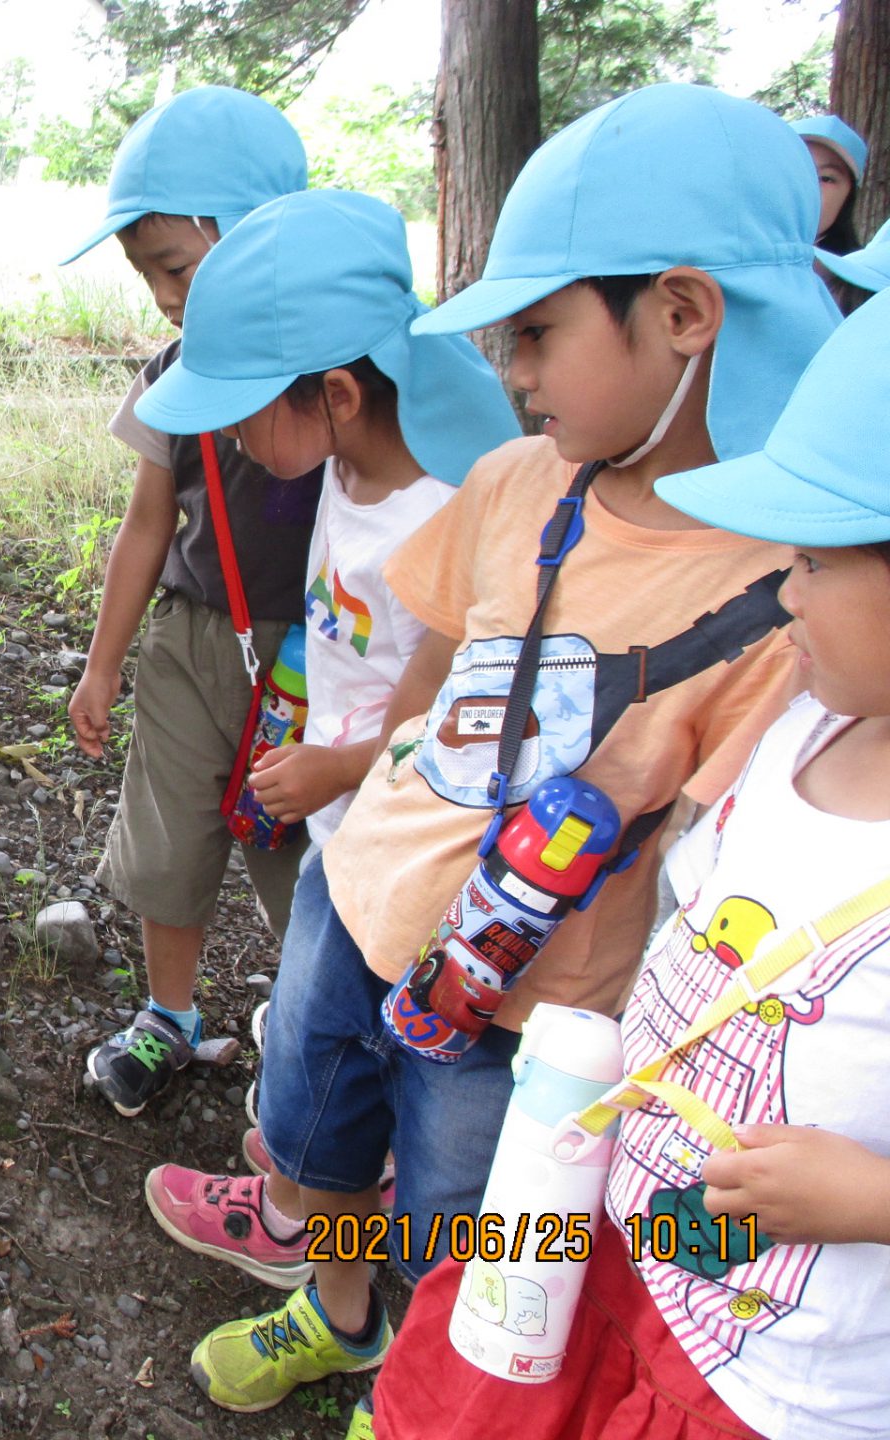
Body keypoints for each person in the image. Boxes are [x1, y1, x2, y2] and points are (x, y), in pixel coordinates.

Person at [171, 84, 836, 1420]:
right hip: (361, 902)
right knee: (324, 1143)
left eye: (537, 333)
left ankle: (424, 1389)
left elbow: (708, 865)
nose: (511, 372)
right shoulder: (516, 484)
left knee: (467, 1230)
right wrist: (368, 786)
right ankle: (336, 1307)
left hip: (522, 1008)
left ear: (685, 314)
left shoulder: (788, 598)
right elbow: (439, 667)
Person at [368, 288, 890, 1440]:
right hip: (602, 1227)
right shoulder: (808, 728)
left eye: (814, 561)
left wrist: (874, 1199)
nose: (785, 590)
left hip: (762, 1376)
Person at [127, 187, 520, 1286]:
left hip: (403, 849)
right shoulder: (345, 471)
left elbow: (447, 714)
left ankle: (311, 1231)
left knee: (364, 1068)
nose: (228, 436)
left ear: (338, 393)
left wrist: (339, 767)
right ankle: (326, 1252)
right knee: (317, 1063)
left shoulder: (439, 515)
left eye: (243, 411)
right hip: (345, 836)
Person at [59, 86, 322, 1118]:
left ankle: (313, 1034)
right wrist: (102, 664)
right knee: (167, 839)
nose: (164, 297)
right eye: (149, 277)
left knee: (301, 857)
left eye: (174, 267)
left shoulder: (339, 371)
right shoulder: (172, 375)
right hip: (187, 644)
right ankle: (168, 1017)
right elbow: (146, 524)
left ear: (251, 232)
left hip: (316, 658)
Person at [789, 114, 868, 254]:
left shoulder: (861, 267)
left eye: (825, 178)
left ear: (848, 196)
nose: (808, 186)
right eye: (797, 170)